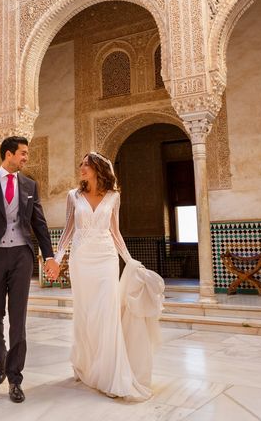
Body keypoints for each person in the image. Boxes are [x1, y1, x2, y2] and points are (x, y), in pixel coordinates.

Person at [52, 152, 164, 401]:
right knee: (85, 313)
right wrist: (57, 260)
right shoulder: (73, 195)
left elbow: (115, 232)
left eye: (87, 164)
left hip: (105, 260)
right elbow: (68, 230)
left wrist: (129, 260)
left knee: (107, 313)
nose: (81, 167)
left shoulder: (114, 196)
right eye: (81, 163)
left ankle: (110, 373)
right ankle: (87, 366)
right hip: (81, 260)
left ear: (99, 169)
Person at [0, 136, 60, 404]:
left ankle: (15, 379)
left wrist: (49, 256)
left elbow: (39, 224)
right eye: (23, 153)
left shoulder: (30, 185)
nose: (26, 158)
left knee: (18, 319)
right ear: (9, 154)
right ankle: (1, 358)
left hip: (22, 256)